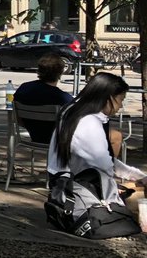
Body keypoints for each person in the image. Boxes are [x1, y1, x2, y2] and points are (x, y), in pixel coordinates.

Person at [48, 72, 144, 237]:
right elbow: (106, 168)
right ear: (108, 98)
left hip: (62, 184)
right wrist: (132, 180)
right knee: (141, 194)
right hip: (83, 191)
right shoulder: (90, 122)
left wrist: (134, 174)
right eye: (121, 99)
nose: (121, 105)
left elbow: (103, 161)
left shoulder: (72, 109)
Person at [14, 53, 75, 143]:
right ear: (60, 73)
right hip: (57, 143)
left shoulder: (24, 88)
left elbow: (18, 119)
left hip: (34, 135)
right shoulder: (63, 98)